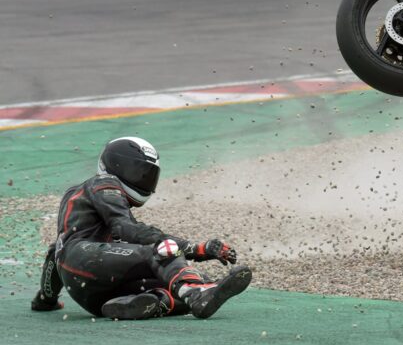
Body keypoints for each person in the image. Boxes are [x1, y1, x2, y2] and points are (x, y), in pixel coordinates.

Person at [30, 136, 251, 320]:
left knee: (177, 275)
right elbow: (126, 229)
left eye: (147, 174)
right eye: (136, 171)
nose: (142, 179)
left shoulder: (81, 209)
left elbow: (54, 254)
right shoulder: (103, 183)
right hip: (84, 258)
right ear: (114, 165)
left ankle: (158, 302)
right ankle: (195, 293)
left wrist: (45, 299)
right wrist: (196, 248)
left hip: (92, 298)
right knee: (164, 250)